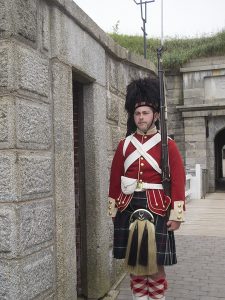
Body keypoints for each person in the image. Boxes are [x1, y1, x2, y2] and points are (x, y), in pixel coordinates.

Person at [108, 77, 185, 300]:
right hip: (128, 206)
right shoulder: (125, 144)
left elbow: (178, 180)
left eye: (145, 113)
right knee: (135, 265)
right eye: (137, 113)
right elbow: (115, 179)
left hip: (158, 207)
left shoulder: (167, 144)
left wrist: (177, 215)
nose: (141, 117)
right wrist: (114, 211)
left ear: (156, 115)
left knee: (156, 266)